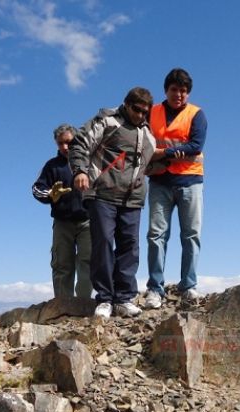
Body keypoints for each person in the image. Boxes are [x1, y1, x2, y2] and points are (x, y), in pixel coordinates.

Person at [69, 87, 156, 319]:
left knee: (130, 247)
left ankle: (124, 298)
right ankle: (105, 299)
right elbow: (79, 143)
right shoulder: (107, 121)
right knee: (103, 244)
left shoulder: (148, 134)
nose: (140, 115)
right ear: (126, 104)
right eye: (136, 110)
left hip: (133, 199)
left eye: (145, 112)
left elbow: (148, 163)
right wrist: (80, 170)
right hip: (102, 194)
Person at [144, 68, 208, 309]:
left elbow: (195, 145)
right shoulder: (153, 112)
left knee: (191, 235)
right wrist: (173, 151)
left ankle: (188, 286)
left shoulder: (197, 114)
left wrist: (164, 152)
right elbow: (143, 141)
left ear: (188, 93)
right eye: (174, 90)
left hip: (190, 181)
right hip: (160, 181)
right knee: (156, 235)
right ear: (166, 90)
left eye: (183, 91)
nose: (179, 94)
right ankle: (155, 288)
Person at [32, 124, 92, 300]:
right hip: (62, 222)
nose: (65, 147)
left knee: (87, 263)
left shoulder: (89, 161)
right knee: (61, 264)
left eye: (68, 142)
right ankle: (63, 305)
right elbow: (37, 189)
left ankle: (83, 304)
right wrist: (51, 194)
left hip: (88, 221)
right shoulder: (52, 166)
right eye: (60, 143)